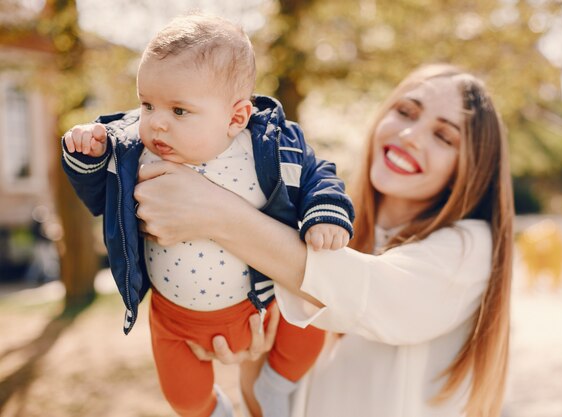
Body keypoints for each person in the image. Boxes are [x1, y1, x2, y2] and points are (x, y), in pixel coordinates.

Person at [129, 63, 515, 417]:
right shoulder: (323, 229)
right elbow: (272, 405)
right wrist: (253, 354)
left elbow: (369, 290)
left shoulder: (470, 248)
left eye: (443, 137)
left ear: (471, 170)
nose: (411, 135)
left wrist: (213, 212)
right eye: (405, 112)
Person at [61, 14, 354, 417]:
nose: (157, 121)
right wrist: (88, 157)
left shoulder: (265, 146)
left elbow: (317, 174)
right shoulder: (134, 151)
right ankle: (214, 411)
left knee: (309, 332)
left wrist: (324, 213)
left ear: (235, 118)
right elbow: (98, 198)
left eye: (179, 111)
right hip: (175, 319)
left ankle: (278, 383)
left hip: (260, 302)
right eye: (147, 104)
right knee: (183, 398)